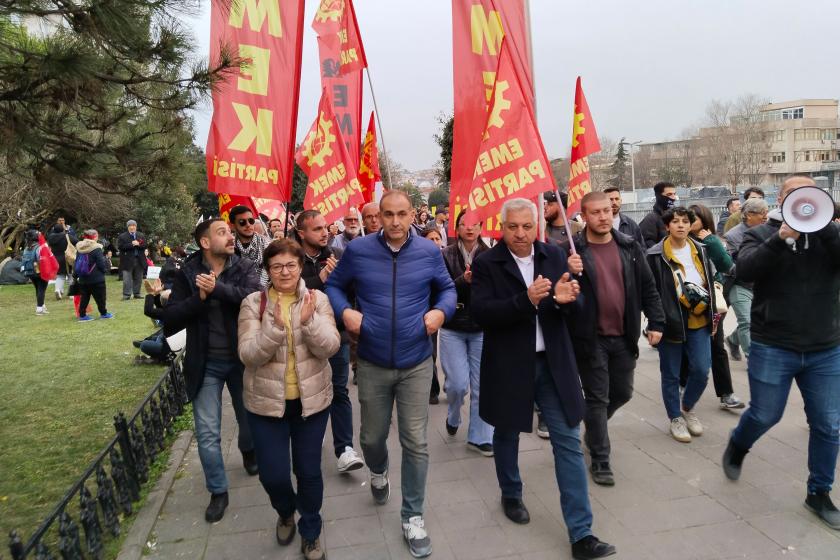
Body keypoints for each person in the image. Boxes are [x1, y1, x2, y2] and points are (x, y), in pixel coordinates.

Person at [471, 197, 615, 560]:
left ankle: (581, 533)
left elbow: (574, 311)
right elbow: (483, 314)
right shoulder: (487, 262)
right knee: (506, 434)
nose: (520, 234)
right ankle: (511, 492)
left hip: (554, 364)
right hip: (510, 366)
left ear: (537, 225)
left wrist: (569, 298)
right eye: (512, 227)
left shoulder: (553, 255)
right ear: (501, 228)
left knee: (566, 440)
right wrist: (527, 300)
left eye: (526, 226)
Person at [325, 190, 456, 558]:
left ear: (412, 214)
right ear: (377, 216)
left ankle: (413, 516)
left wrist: (440, 313)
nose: (395, 222)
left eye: (402, 214)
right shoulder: (359, 251)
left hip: (416, 361)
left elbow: (446, 289)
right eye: (388, 215)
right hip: (372, 360)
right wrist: (344, 313)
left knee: (416, 441)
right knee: (370, 437)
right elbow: (334, 286)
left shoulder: (429, 252)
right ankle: (379, 470)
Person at [723, 175, 840, 530]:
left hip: (825, 347)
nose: (802, 201)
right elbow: (744, 270)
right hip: (774, 344)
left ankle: (818, 492)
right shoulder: (759, 234)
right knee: (764, 415)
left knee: (829, 425)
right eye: (793, 194)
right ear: (779, 199)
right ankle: (738, 445)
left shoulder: (830, 234)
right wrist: (781, 238)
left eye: (810, 196)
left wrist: (825, 228)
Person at [238, 239, 340, 560]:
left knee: (309, 471)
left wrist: (309, 322)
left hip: (311, 403)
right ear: (268, 270)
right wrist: (274, 329)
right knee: (274, 475)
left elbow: (331, 347)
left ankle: (311, 530)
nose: (285, 272)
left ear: (300, 267)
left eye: (291, 265)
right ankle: (285, 511)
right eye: (277, 266)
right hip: (266, 405)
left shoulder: (318, 299)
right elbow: (248, 355)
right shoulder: (254, 304)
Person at [161, 218, 260, 523]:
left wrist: (217, 290)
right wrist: (199, 297)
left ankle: (247, 449)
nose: (231, 236)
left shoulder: (243, 267)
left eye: (231, 232)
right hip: (205, 364)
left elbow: (254, 299)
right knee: (206, 433)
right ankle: (218, 490)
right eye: (223, 232)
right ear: (205, 242)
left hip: (241, 359)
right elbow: (172, 318)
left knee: (249, 421)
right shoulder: (187, 273)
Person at [569, 192, 665, 486]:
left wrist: (656, 321)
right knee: (597, 397)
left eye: (607, 211)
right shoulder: (572, 252)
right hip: (590, 338)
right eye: (595, 212)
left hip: (624, 335)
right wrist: (567, 270)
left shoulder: (629, 246)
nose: (603, 217)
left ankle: (592, 426)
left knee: (622, 393)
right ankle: (600, 458)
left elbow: (648, 287)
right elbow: (559, 294)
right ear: (584, 216)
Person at [296, 210, 364, 475]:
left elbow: (349, 293)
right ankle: (308, 443)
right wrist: (320, 279)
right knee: (307, 393)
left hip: (335, 335)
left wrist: (340, 280)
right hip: (302, 338)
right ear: (302, 234)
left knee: (339, 390)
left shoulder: (336, 256)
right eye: (317, 229)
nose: (325, 233)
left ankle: (345, 448)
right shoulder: (291, 258)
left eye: (325, 227)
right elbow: (287, 292)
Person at [646, 206, 717, 443]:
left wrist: (714, 312)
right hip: (670, 321)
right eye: (675, 221)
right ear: (667, 226)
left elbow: (715, 277)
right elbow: (650, 291)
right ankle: (675, 417)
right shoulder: (655, 255)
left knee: (701, 369)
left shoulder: (702, 249)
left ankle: (687, 407)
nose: (681, 225)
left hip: (700, 318)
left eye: (685, 221)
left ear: (691, 224)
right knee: (671, 374)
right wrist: (654, 322)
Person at [440, 211, 493, 455]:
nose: (469, 228)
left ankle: (480, 436)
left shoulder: (491, 255)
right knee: (457, 385)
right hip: (453, 327)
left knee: (483, 385)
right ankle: (453, 414)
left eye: (474, 224)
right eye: (464, 224)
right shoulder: (445, 254)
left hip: (483, 327)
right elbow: (440, 288)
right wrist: (463, 280)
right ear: (457, 228)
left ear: (481, 227)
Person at [685, 204, 744, 409]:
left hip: (710, 303)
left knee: (717, 347)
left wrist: (711, 241)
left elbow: (727, 267)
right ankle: (684, 384)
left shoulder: (711, 240)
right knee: (686, 347)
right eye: (686, 218)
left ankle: (726, 393)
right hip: (687, 303)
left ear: (704, 219)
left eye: (694, 218)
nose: (689, 222)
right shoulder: (680, 241)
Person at [724, 198, 769, 361]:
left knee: (758, 321)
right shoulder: (733, 235)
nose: (765, 216)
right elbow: (737, 263)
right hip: (740, 284)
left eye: (766, 212)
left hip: (762, 285)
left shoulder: (768, 230)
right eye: (762, 213)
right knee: (747, 322)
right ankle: (754, 358)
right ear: (749, 215)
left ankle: (732, 339)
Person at [420, 226, 445, 405]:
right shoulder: (416, 260)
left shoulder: (445, 259)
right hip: (417, 311)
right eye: (431, 239)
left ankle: (432, 388)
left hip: (434, 312)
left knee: (432, 352)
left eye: (437, 239)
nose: (436, 243)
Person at [75, 229, 113, 321]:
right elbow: (101, 263)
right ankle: (103, 313)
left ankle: (82, 315)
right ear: (95, 237)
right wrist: (105, 270)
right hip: (96, 278)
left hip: (83, 278)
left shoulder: (79, 248)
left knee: (84, 297)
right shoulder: (96, 248)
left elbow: (76, 262)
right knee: (100, 297)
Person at [229, 204, 271, 288]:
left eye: (251, 221)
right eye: (242, 222)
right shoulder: (229, 248)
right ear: (233, 226)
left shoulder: (268, 245)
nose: (248, 225)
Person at [640, 182, 677, 248]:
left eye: (674, 194)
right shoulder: (651, 219)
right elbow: (646, 243)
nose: (673, 198)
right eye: (669, 194)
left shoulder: (678, 216)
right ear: (659, 196)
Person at [20, 229, 49, 315]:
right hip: (40, 271)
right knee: (41, 289)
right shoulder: (39, 247)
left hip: (30, 272)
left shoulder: (26, 248)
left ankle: (42, 306)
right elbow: (42, 259)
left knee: (38, 289)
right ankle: (39, 309)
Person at [47, 220, 77, 300]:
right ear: (62, 229)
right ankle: (71, 294)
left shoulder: (51, 238)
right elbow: (76, 241)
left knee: (60, 276)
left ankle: (58, 290)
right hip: (67, 258)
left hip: (56, 259)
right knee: (70, 275)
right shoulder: (66, 236)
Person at [117, 219, 146, 300]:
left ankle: (137, 293)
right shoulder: (122, 236)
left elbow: (145, 245)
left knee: (138, 278)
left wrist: (139, 244)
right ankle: (126, 295)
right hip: (127, 261)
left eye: (134, 226)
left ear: (136, 227)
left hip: (139, 260)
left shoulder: (141, 235)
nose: (132, 227)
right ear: (128, 227)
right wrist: (132, 244)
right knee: (127, 279)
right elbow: (120, 247)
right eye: (130, 226)